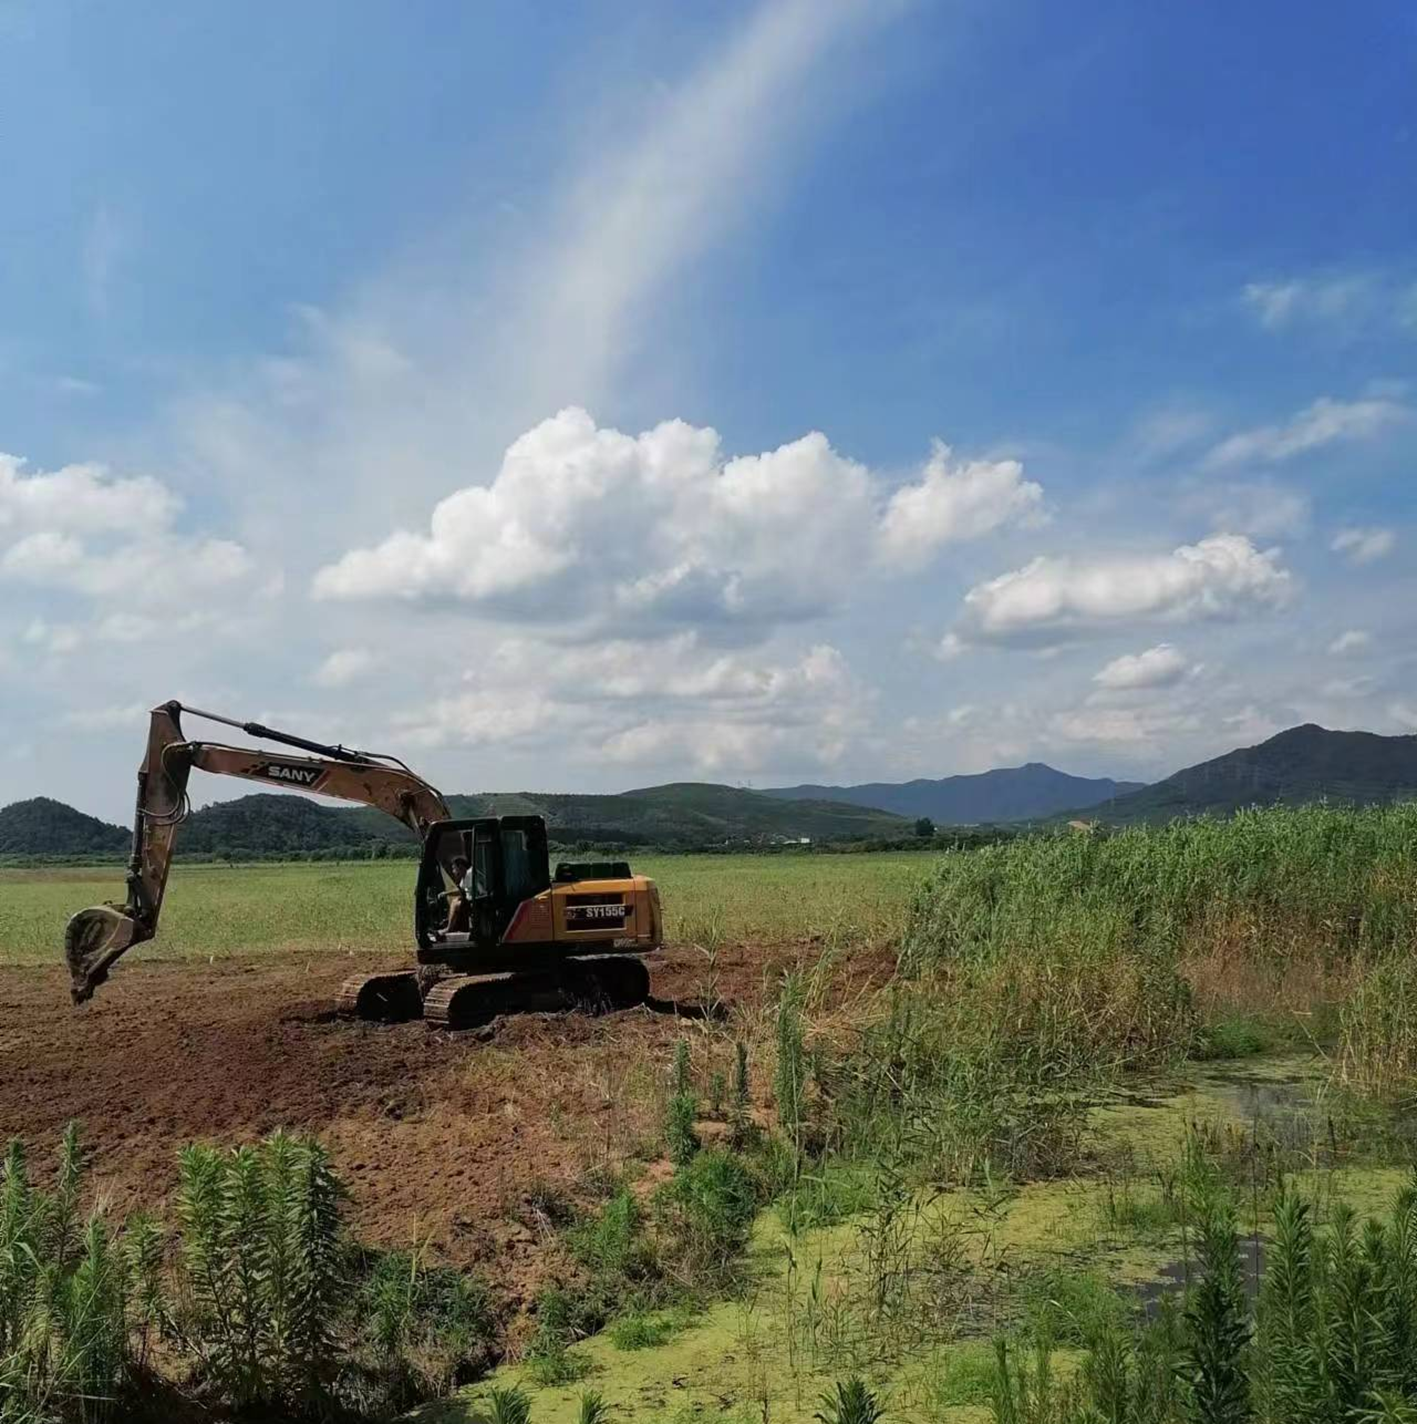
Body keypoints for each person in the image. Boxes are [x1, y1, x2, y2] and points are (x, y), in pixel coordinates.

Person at [444, 854, 472, 934]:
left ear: (460, 867)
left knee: (455, 903)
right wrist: (445, 894)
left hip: (476, 901)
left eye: (454, 868)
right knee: (456, 900)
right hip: (469, 901)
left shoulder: (470, 874)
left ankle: (449, 928)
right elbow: (460, 890)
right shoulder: (464, 877)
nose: (453, 871)